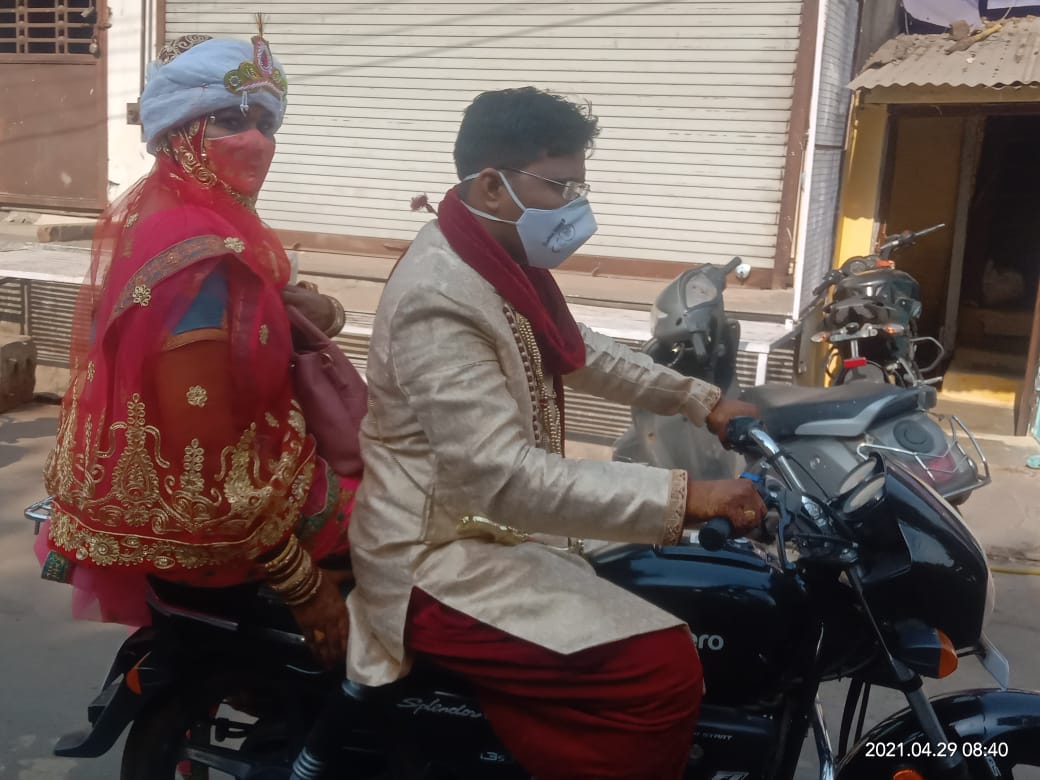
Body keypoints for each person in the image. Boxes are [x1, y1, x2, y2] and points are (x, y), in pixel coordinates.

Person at [346, 86, 767, 780]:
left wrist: (705, 401)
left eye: (580, 185)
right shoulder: (439, 295)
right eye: (559, 185)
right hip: (439, 554)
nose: (575, 206)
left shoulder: (495, 258)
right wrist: (690, 496)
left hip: (497, 529)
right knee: (660, 671)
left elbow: (578, 349)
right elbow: (501, 476)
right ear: (491, 183)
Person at [36, 29, 355, 668]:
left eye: (266, 121)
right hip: (222, 511)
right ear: (180, 130)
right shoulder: (193, 250)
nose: (256, 141)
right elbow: (201, 444)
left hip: (258, 458)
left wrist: (319, 310)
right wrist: (298, 581)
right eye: (231, 119)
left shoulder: (198, 219)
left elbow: (261, 316)